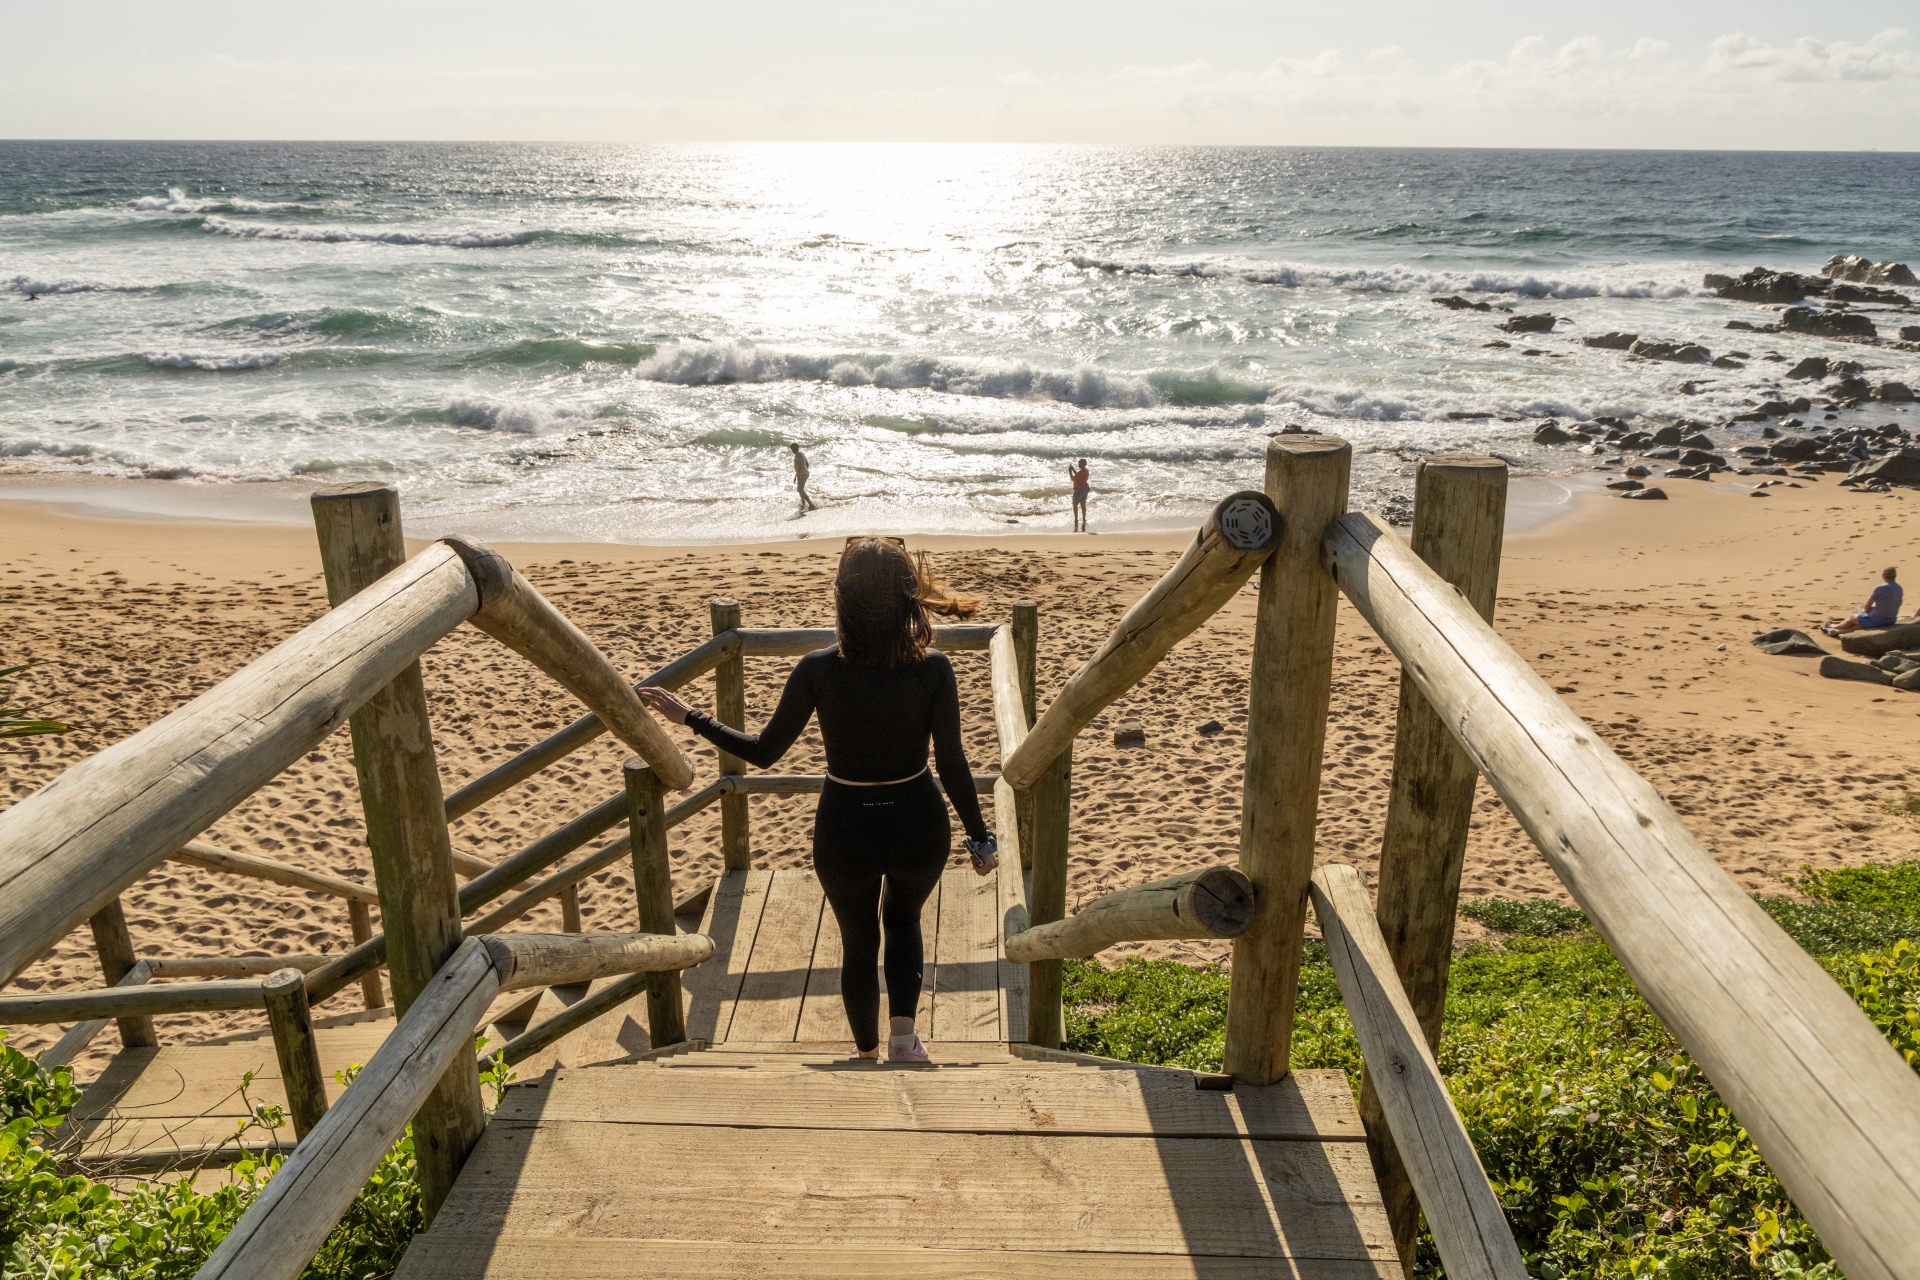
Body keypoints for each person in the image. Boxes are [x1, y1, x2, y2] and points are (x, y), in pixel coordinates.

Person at [638, 539, 997, 1063]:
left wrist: (691, 718)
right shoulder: (934, 669)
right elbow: (953, 764)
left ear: (844, 600)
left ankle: (866, 1052)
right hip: (918, 820)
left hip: (844, 824)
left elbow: (763, 753)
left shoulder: (817, 669)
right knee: (903, 922)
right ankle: (904, 1042)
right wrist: (979, 836)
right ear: (905, 596)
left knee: (857, 939)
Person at [1825, 566, 1903, 636]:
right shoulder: (1899, 588)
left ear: (1883, 576)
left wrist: (1865, 611)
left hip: (1878, 620)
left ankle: (1834, 626)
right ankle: (1834, 631)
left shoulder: (1880, 588)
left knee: (1853, 618)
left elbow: (1868, 604)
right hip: (1891, 620)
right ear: (1895, 576)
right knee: (1860, 626)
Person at [790, 443, 818, 515]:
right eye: (791, 449)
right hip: (805, 473)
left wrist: (796, 475)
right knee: (800, 489)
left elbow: (799, 465)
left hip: (801, 474)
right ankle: (803, 503)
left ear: (797, 447)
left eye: (793, 448)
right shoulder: (801, 453)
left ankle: (810, 504)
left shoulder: (798, 454)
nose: (792, 450)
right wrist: (805, 470)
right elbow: (807, 463)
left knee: (800, 489)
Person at [1068, 457, 1090, 532]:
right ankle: (1084, 518)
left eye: (1079, 463)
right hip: (1086, 489)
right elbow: (1078, 475)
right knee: (1083, 504)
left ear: (1082, 464)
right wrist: (1073, 470)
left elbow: (1073, 478)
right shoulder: (1086, 470)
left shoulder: (1081, 472)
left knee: (1075, 505)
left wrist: (1070, 471)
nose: (1078, 464)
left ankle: (1076, 520)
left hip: (1079, 490)